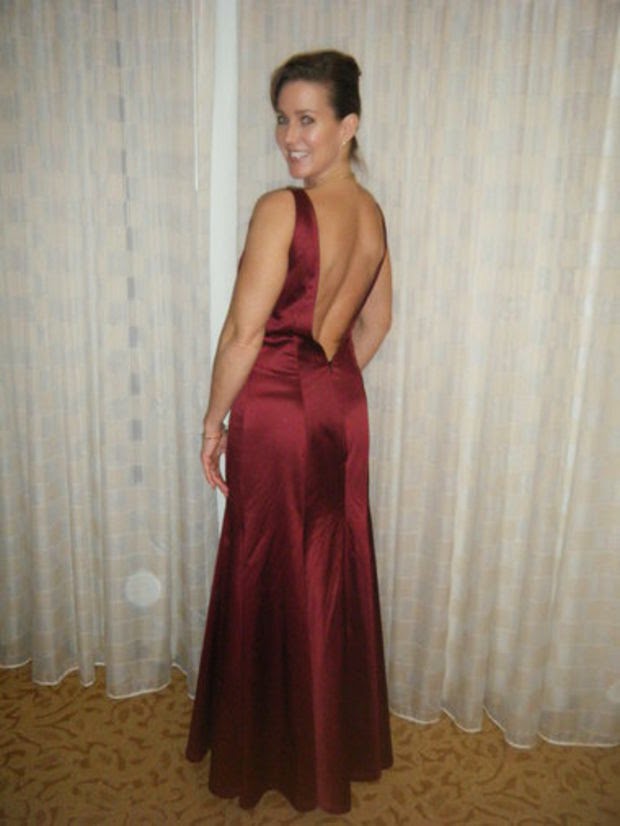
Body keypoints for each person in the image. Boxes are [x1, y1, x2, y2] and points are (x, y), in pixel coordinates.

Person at [186, 49, 393, 815]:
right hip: (340, 405)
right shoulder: (371, 215)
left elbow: (244, 332)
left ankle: (269, 745)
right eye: (282, 119)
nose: (290, 136)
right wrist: (326, 375)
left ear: (348, 125)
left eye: (308, 119)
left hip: (276, 409)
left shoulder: (283, 208)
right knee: (327, 565)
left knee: (268, 564)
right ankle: (330, 738)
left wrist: (214, 421)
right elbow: (376, 322)